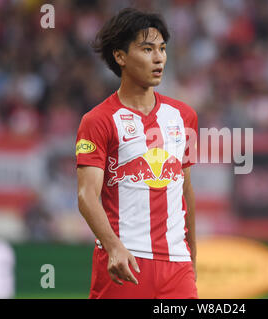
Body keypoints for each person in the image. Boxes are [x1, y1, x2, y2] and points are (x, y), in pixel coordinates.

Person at [76, 8, 198, 299]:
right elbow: (85, 196)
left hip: (177, 266)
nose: (158, 58)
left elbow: (185, 190)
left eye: (162, 49)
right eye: (147, 49)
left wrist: (192, 258)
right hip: (124, 263)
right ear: (120, 57)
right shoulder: (98, 121)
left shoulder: (184, 116)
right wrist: (113, 246)